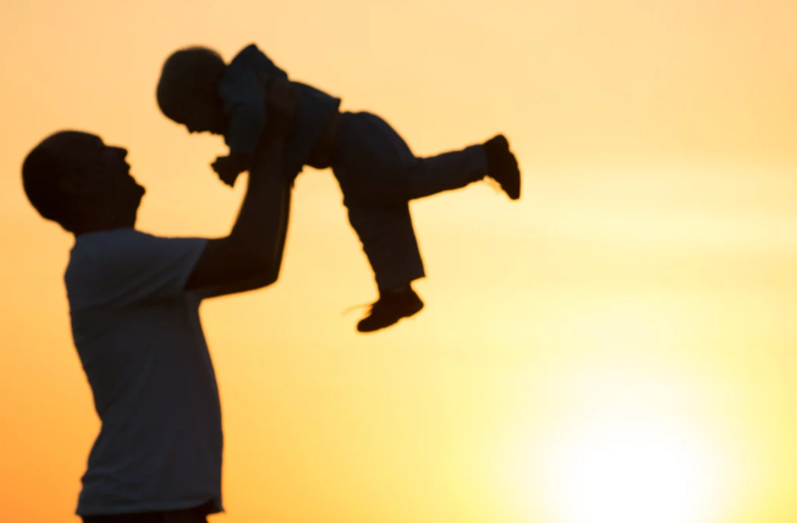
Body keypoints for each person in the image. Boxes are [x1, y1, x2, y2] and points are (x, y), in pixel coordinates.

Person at [20, 81, 297, 523]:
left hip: (154, 509)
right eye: (100, 151)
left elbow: (258, 264)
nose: (120, 152)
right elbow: (253, 258)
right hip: (150, 511)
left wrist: (275, 153)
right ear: (76, 184)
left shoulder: (129, 265)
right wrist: (274, 145)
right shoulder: (110, 257)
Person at [155, 43, 522, 333]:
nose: (192, 130)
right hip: (348, 157)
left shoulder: (240, 90)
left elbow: (253, 116)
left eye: (188, 119)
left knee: (403, 182)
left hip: (354, 139)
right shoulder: (243, 92)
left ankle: (487, 158)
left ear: (203, 91)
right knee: (373, 219)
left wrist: (239, 157)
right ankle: (397, 291)